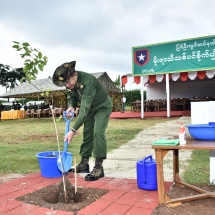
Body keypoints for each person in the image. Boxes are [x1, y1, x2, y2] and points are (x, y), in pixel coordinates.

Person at [52, 61, 113, 181]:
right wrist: (71, 106)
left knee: (98, 133)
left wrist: (72, 131)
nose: (67, 85)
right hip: (90, 109)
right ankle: (84, 163)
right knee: (87, 134)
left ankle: (98, 167)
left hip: (102, 107)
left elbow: (84, 111)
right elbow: (71, 96)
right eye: (65, 84)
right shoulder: (71, 84)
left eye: (68, 82)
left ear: (74, 75)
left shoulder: (88, 83)